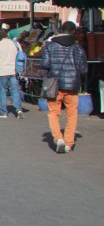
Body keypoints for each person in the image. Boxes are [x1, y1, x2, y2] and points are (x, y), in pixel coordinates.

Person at [41, 21, 88, 153]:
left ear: (60, 30)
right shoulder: (78, 48)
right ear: (73, 32)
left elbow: (45, 64)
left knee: (53, 112)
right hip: (72, 85)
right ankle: (69, 142)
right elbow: (84, 70)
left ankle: (58, 138)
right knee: (72, 113)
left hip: (54, 85)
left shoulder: (50, 46)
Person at [0, 28, 24, 119]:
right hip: (13, 70)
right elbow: (20, 54)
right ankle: (19, 110)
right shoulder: (15, 43)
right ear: (7, 34)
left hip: (3, 71)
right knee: (15, 91)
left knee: (3, 91)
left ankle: (3, 112)